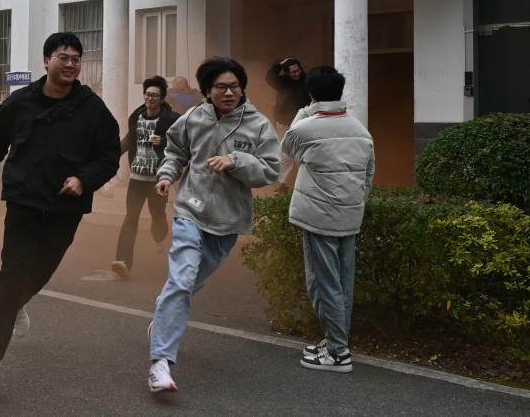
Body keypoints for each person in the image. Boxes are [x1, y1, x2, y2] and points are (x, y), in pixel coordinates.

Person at [0, 32, 120, 386]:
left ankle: (16, 304)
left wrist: (83, 179)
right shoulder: (20, 102)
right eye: (63, 57)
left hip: (66, 206)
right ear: (47, 61)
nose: (70, 64)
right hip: (24, 200)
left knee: (42, 270)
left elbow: (109, 155)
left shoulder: (91, 108)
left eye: (76, 59)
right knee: (12, 271)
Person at [147, 58, 281, 392]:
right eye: (221, 87)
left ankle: (163, 317)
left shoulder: (258, 124)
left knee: (189, 283)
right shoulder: (194, 117)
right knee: (182, 279)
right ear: (207, 90)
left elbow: (270, 170)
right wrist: (166, 176)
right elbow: (176, 152)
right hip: (190, 209)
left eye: (235, 86)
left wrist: (235, 160)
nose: (229, 92)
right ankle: (160, 364)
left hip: (229, 220)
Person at [282, 66, 374, 373]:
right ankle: (337, 341)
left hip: (318, 217)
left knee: (323, 284)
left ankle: (337, 353)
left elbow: (287, 147)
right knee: (343, 284)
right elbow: (368, 177)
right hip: (350, 215)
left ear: (311, 93)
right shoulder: (361, 130)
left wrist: (305, 111)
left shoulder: (305, 128)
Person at [111, 76, 180, 280]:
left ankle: (160, 236)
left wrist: (164, 140)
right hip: (136, 178)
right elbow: (128, 140)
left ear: (162, 99)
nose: (150, 98)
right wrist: (110, 154)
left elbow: (182, 143)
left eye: (154, 96)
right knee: (130, 218)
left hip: (158, 180)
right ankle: (123, 261)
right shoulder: (136, 117)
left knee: (157, 215)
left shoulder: (171, 119)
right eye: (147, 94)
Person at [265, 57, 311, 185]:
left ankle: (304, 183)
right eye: (293, 72)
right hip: (284, 122)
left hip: (303, 123)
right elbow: (269, 77)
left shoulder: (308, 80)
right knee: (285, 155)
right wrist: (280, 64)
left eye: (298, 70)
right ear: (286, 73)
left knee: (303, 153)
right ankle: (283, 184)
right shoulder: (282, 82)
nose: (296, 74)